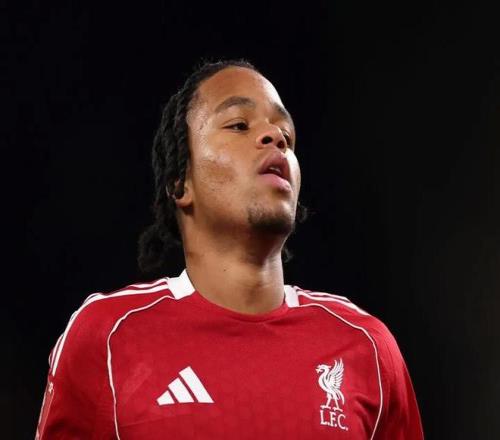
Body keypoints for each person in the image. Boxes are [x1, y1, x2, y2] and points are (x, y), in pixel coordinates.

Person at [36, 59, 424, 439]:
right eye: (239, 125)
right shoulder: (106, 336)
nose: (274, 137)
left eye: (286, 135)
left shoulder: (367, 346)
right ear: (180, 183)